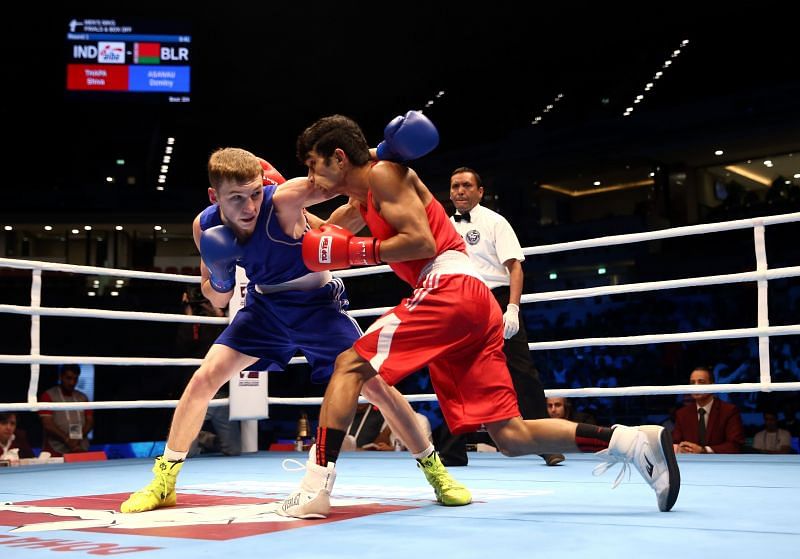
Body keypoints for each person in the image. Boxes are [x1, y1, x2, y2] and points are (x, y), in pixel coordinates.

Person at [277, 114, 680, 519]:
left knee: (350, 364)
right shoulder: (364, 197)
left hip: (449, 286)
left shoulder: (384, 175)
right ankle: (632, 442)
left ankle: (316, 486)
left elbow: (420, 241)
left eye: (313, 164)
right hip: (471, 301)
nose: (310, 176)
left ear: (339, 158)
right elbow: (320, 233)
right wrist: (266, 212)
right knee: (510, 435)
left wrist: (357, 252)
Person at [121, 141, 469, 512]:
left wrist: (379, 150)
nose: (250, 206)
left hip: (317, 305)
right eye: (236, 198)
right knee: (204, 378)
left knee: (377, 387)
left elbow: (343, 178)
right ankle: (164, 481)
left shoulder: (284, 198)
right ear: (214, 196)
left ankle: (436, 471)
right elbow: (219, 299)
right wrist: (221, 278)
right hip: (264, 307)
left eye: (255, 193)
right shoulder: (204, 226)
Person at [443, 166, 562, 467]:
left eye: (467, 185)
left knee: (521, 370)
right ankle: (452, 449)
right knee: (457, 372)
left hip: (495, 299)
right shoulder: (443, 226)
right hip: (458, 302)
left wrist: (513, 308)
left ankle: (547, 442)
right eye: (455, 186)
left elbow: (515, 267)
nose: (460, 191)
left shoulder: (496, 222)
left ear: (480, 191)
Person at [176, 288, 241, 458]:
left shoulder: (225, 321)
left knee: (233, 450)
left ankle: (207, 440)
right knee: (186, 452)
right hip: (197, 389)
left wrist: (218, 315)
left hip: (220, 391)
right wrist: (189, 315)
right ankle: (201, 439)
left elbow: (232, 343)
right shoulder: (193, 325)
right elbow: (182, 346)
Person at [672, 366, 745, 454]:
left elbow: (735, 445)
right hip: (690, 464)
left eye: (701, 382)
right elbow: (675, 443)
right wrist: (680, 448)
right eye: (692, 383)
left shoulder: (729, 411)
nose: (696, 386)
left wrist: (704, 450)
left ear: (712, 386)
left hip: (721, 464)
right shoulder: (682, 414)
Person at [38, 364, 94, 456]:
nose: (72, 382)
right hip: (56, 450)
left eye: (75, 379)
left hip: (80, 448)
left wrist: (77, 439)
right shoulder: (48, 396)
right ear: (60, 377)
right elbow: (47, 424)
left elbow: (90, 421)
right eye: (68, 378)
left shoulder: (83, 397)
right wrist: (67, 440)